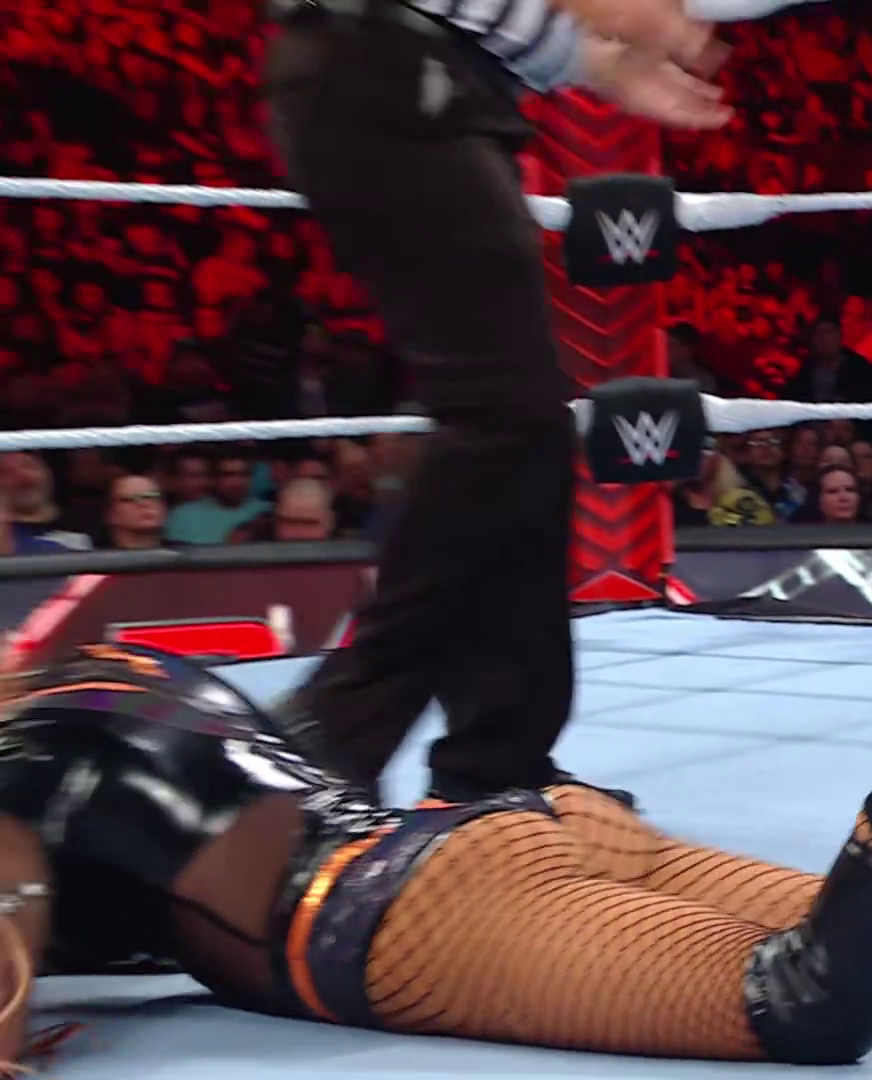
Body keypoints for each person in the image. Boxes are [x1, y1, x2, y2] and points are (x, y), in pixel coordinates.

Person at [0, 530, 872, 1068]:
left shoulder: (21, 768)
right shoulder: (129, 680)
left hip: (396, 913)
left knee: (809, 1005)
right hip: (514, 833)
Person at [261, 0, 735, 805]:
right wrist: (624, 16)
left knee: (527, 429)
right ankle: (335, 731)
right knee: (506, 422)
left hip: (436, 86)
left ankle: (496, 758)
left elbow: (496, 20)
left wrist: (599, 63)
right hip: (390, 75)